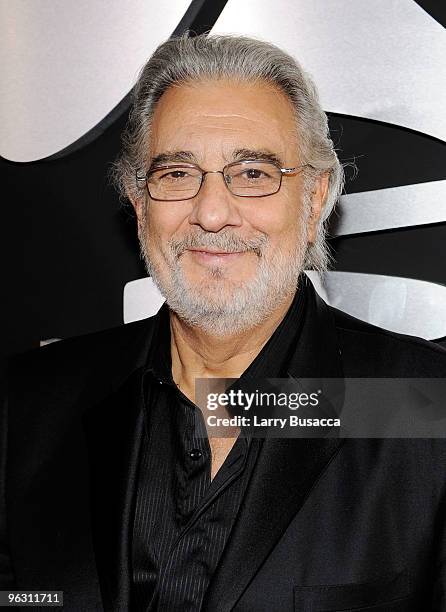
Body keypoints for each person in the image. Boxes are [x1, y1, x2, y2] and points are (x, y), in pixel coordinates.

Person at [1, 33, 446, 612]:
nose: (211, 213)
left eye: (253, 173)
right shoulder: (29, 405)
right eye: (177, 173)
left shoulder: (423, 406)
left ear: (314, 199)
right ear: (139, 203)